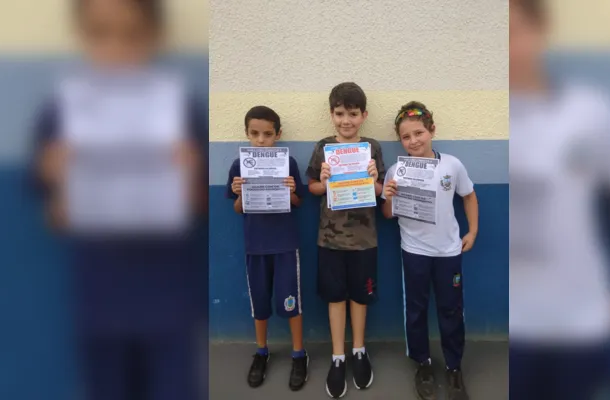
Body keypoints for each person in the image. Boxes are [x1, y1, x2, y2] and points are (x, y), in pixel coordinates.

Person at [31, 1, 208, 399]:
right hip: (100, 301)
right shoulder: (61, 112)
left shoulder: (181, 107)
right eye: (100, 33)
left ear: (153, 37)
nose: (116, 49)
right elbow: (52, 214)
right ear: (82, 36)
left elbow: (201, 208)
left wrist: (190, 175)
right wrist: (55, 178)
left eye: (130, 34)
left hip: (171, 302)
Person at [508, 1, 610, 399]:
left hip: (581, 324)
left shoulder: (591, 111)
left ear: (539, 32)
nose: (506, 48)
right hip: (514, 329)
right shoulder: (491, 123)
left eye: (514, 31)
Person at [381, 101, 478, 400]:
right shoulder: (396, 171)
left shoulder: (452, 165)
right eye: (406, 136)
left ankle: (453, 367)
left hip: (449, 252)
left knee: (451, 310)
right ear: (400, 140)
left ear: (432, 130)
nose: (414, 141)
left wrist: (472, 231)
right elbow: (388, 215)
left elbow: (469, 196)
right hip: (414, 251)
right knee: (416, 310)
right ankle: (422, 363)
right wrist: (388, 196)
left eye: (419, 132)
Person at [305, 82, 385, 398]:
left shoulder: (373, 148)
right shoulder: (323, 147)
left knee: (360, 297)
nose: (346, 121)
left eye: (352, 114)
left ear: (363, 115)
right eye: (340, 114)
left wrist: (375, 181)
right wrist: (323, 182)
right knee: (335, 297)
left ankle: (359, 351)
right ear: (331, 114)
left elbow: (382, 193)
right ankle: (338, 356)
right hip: (330, 240)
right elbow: (310, 187)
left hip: (365, 240)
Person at [226, 106, 309, 391]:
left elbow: (299, 202)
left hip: (285, 245)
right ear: (247, 134)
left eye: (268, 134)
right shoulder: (239, 166)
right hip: (255, 246)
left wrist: (291, 191)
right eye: (254, 134)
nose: (261, 140)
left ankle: (299, 354)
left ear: (278, 134)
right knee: (259, 305)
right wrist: (240, 193)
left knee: (291, 302)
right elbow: (237, 209)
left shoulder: (289, 164)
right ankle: (261, 351)